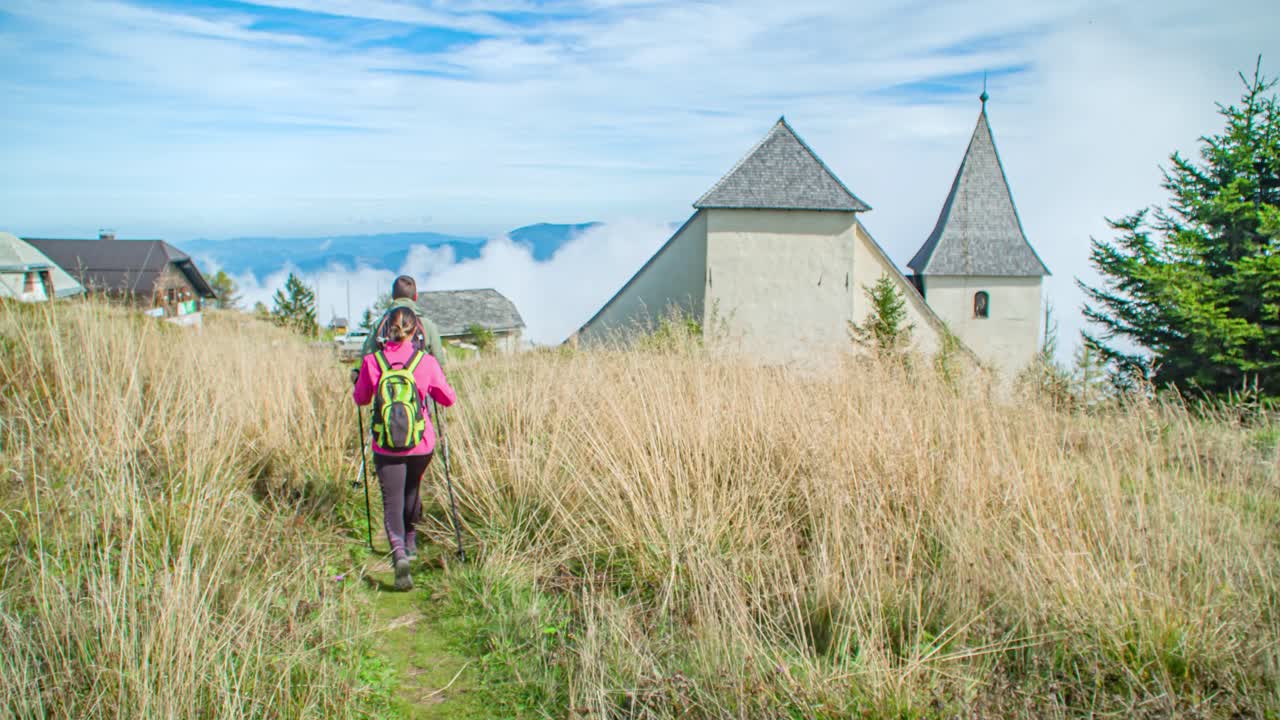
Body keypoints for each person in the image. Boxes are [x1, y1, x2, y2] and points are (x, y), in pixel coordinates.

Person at [353, 306, 457, 590]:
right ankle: (410, 542)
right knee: (412, 492)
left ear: (386, 330)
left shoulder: (373, 361)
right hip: (421, 444)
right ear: (416, 331)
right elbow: (448, 399)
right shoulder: (425, 362)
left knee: (392, 501)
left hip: (385, 445)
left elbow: (360, 399)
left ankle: (399, 553)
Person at [362, 275, 446, 366]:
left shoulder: (378, 324)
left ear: (393, 297)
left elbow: (366, 358)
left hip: (385, 377)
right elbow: (439, 362)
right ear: (415, 296)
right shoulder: (427, 325)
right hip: (419, 376)